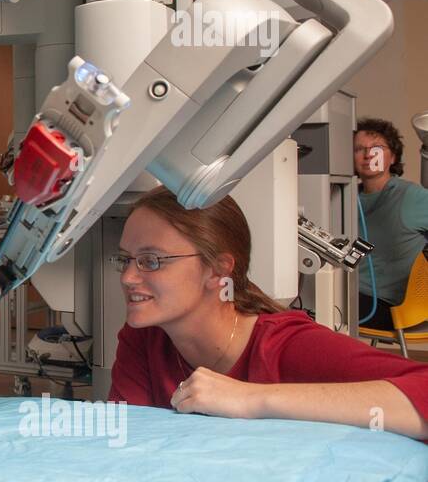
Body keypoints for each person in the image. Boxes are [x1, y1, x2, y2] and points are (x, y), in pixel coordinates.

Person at [108, 186, 428, 438]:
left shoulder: (285, 346)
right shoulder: (144, 338)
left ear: (217, 271)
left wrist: (253, 399)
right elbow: (126, 440)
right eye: (126, 259)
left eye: (151, 261)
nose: (127, 278)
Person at [353, 117, 428, 329]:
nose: (368, 155)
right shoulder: (343, 198)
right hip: (351, 293)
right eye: (359, 148)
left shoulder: (411, 197)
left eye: (376, 148)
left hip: (389, 305)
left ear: (393, 156)